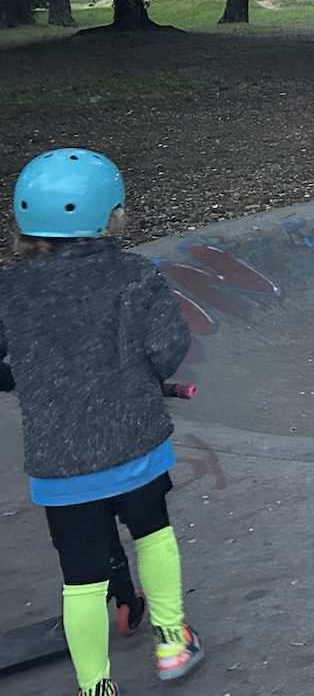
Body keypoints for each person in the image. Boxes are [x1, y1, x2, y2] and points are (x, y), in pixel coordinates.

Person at [0, 149, 204, 694]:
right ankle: (171, 643)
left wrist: (26, 377)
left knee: (81, 579)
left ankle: (95, 686)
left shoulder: (11, 289)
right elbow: (166, 349)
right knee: (153, 532)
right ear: (109, 213)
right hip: (134, 442)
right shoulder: (134, 274)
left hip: (60, 463)